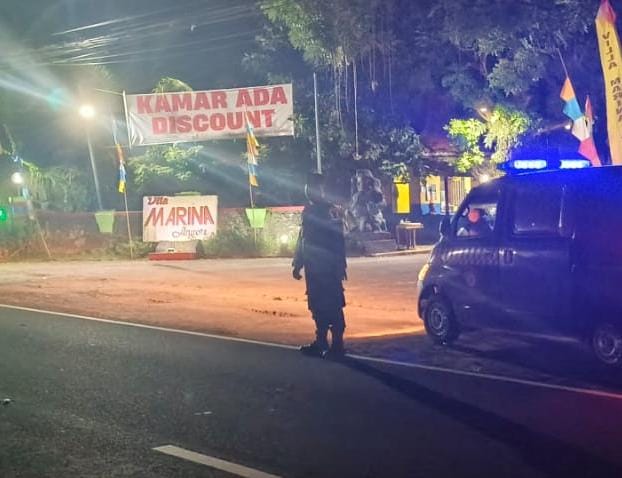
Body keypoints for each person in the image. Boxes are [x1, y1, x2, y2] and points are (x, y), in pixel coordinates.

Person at [293, 173, 348, 358]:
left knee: (332, 303)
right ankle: (321, 340)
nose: (309, 191)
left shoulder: (330, 212)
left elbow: (338, 241)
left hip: (328, 267)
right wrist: (298, 263)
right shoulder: (309, 210)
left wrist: (340, 265)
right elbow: (303, 238)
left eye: (313, 187)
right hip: (313, 267)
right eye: (308, 187)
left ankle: (338, 344)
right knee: (316, 304)